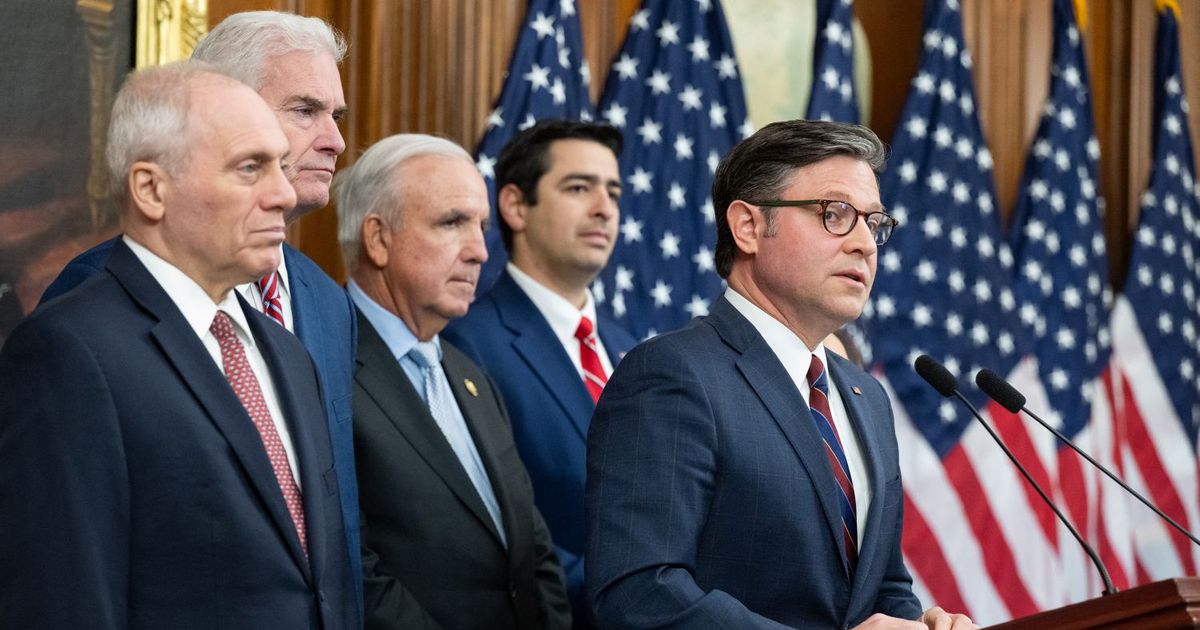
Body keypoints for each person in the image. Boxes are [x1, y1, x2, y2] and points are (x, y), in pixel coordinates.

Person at [0, 62, 358, 628]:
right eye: (250, 168)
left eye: (280, 168)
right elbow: (65, 598)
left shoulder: (288, 354)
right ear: (151, 189)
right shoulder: (68, 352)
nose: (282, 193)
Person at [585, 120, 974, 629]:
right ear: (748, 226)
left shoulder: (865, 397)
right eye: (836, 214)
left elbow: (881, 585)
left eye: (875, 223)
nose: (865, 244)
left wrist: (922, 626)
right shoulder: (673, 374)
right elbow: (639, 592)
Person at [335, 133, 571, 630]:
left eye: (482, 226)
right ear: (378, 238)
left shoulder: (470, 375)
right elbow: (353, 570)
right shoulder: (324, 365)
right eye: (452, 223)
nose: (480, 252)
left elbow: (533, 548)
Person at [441, 119, 636, 626]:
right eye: (578, 188)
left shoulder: (628, 349)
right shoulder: (466, 343)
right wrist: (645, 605)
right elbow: (498, 534)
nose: (604, 208)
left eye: (613, 191)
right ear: (513, 205)